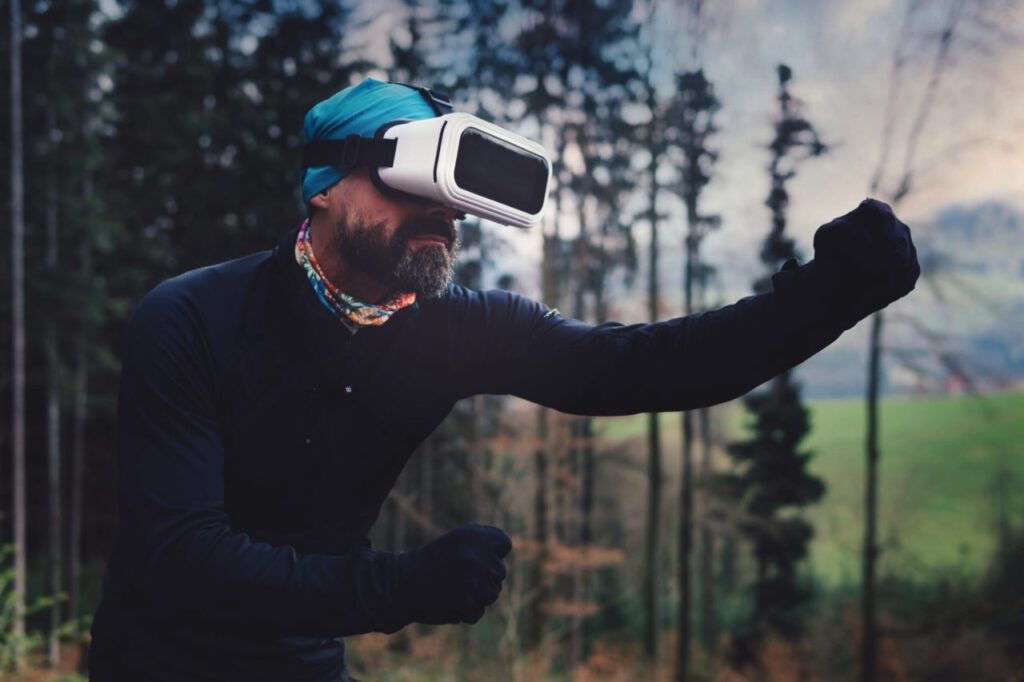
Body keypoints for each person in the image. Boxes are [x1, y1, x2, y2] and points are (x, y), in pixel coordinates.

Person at [87, 78, 920, 681]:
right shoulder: (191, 318)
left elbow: (642, 366)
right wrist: (398, 585)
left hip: (305, 665)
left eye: (456, 201)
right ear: (324, 191)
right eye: (413, 184)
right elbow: (183, 556)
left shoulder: (455, 330)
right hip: (156, 663)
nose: (446, 216)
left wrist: (824, 301)